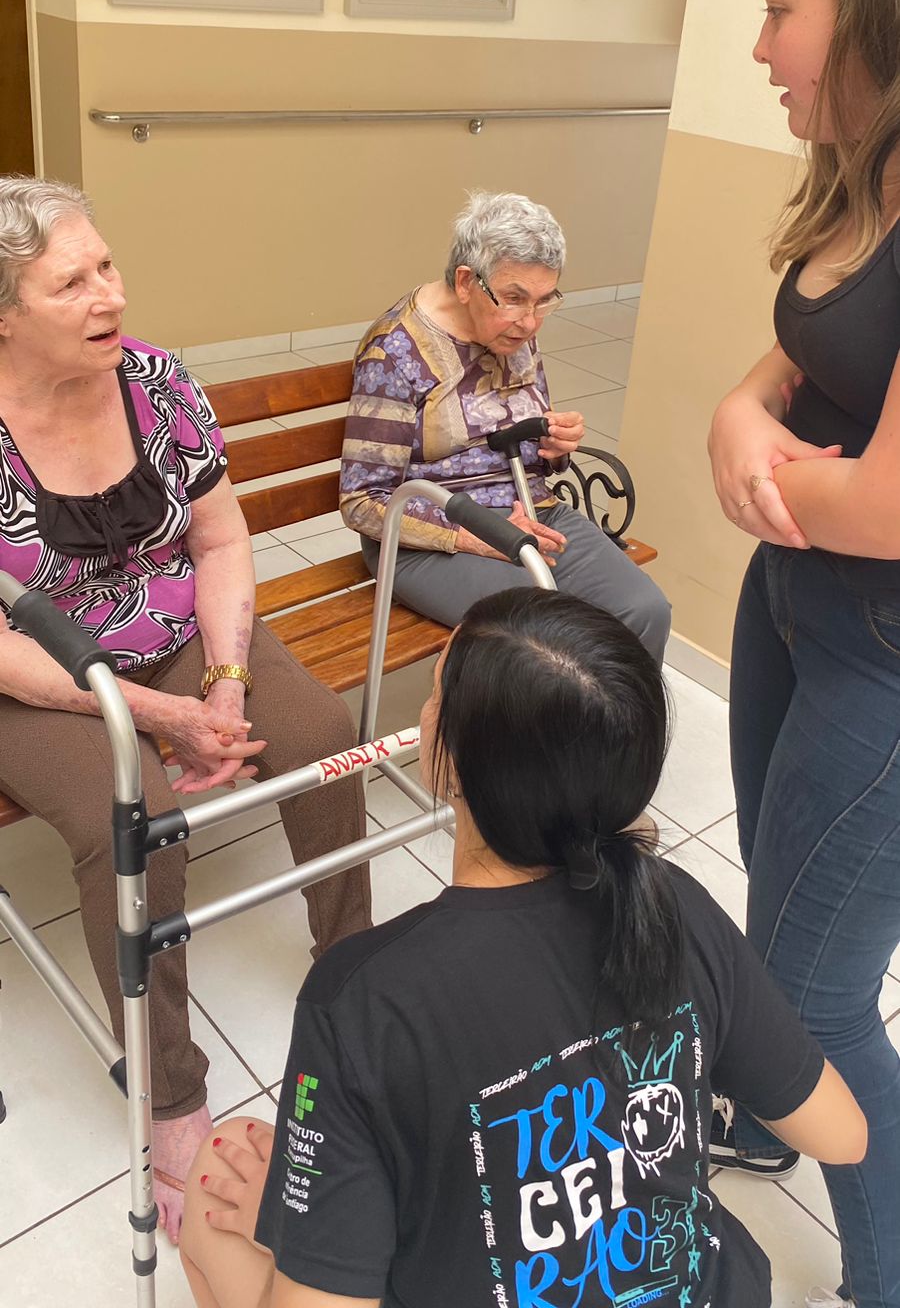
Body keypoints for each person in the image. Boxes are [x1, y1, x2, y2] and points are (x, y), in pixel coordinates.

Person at [179, 587, 866, 1307]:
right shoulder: (671, 903)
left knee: (215, 1180)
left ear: (451, 762)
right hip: (711, 1289)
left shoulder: (361, 997)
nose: (426, 712)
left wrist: (294, 1231)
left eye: (435, 695)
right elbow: (842, 1134)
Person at [0, 176, 371, 1244]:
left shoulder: (155, 381)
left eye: (107, 265)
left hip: (174, 634)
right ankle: (168, 1090)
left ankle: (352, 965)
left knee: (324, 739)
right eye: (71, 284)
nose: (109, 294)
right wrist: (157, 723)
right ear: (6, 316)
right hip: (39, 679)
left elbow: (219, 538)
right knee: (139, 822)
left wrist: (226, 680)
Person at [707, 0, 900, 1308]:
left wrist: (766, 464)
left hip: (880, 656)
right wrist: (736, 410)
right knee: (777, 914)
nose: (760, 45)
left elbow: (889, 508)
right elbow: (802, 352)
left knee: (816, 992)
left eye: (781, 11)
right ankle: (773, 1122)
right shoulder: (862, 169)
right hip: (793, 605)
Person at [339, 190, 671, 663]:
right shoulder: (395, 352)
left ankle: (617, 716)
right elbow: (363, 502)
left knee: (644, 611)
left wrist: (554, 448)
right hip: (432, 539)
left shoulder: (511, 329)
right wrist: (475, 534)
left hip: (529, 511)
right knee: (544, 634)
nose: (530, 322)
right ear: (465, 282)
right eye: (514, 299)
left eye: (544, 301)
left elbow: (527, 445)